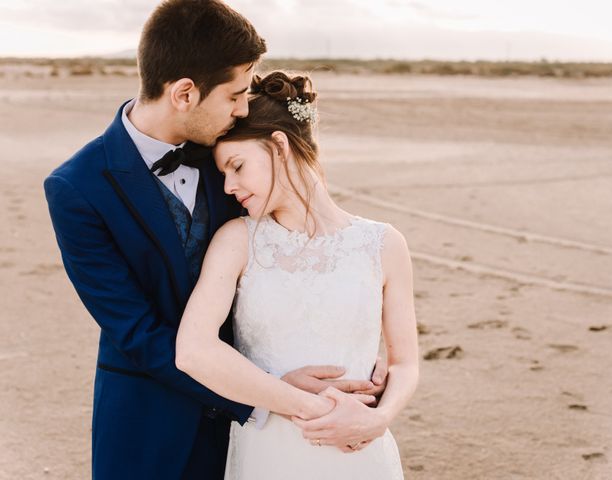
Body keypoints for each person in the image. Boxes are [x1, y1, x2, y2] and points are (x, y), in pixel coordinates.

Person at [43, 1, 386, 479]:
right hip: (148, 423)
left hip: (259, 433)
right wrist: (265, 393)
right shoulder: (76, 188)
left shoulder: (231, 153)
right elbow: (134, 330)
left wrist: (357, 336)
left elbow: (297, 242)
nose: (244, 109)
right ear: (185, 93)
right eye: (234, 95)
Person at [175, 71, 419, 479]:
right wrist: (296, 401)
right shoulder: (237, 240)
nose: (230, 186)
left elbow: (405, 363)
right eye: (223, 176)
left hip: (359, 450)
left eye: (237, 166)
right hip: (270, 449)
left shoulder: (384, 244)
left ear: (279, 146)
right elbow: (194, 350)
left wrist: (378, 420)